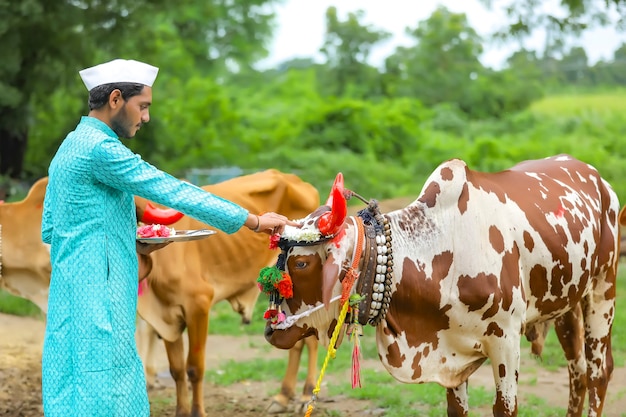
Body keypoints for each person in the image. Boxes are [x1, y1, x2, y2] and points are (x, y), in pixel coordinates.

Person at [40, 58, 300, 417]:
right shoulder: (103, 149)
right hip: (101, 297)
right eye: (142, 106)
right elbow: (172, 190)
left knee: (69, 384)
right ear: (116, 99)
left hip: (68, 296)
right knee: (106, 392)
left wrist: (129, 242)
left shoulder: (68, 146)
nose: (145, 117)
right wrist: (252, 220)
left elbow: (52, 228)